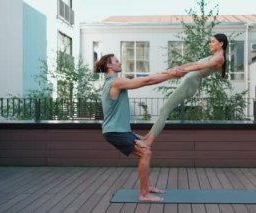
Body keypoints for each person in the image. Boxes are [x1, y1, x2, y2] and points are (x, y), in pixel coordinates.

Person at [95, 54, 184, 202]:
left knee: (146, 149)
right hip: (114, 132)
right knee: (145, 153)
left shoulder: (112, 83)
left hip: (120, 131)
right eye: (116, 61)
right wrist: (171, 75)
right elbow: (146, 80)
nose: (119, 62)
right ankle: (144, 194)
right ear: (109, 66)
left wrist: (170, 72)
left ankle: (147, 187)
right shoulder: (115, 82)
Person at [144, 33, 228, 146]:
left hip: (190, 83)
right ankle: (147, 137)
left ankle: (148, 142)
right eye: (210, 41)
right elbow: (194, 63)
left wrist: (183, 71)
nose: (210, 44)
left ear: (221, 43)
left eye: (213, 42)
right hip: (189, 81)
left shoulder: (219, 58)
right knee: (164, 109)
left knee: (164, 110)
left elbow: (199, 67)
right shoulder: (214, 56)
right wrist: (178, 68)